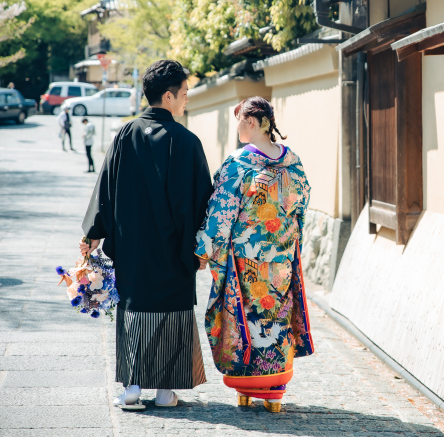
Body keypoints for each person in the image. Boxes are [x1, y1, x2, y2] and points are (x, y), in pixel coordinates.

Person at [80, 60, 213, 411]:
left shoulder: (126, 135)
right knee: (171, 311)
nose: (186, 99)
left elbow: (106, 188)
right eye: (184, 93)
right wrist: (202, 248)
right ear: (168, 96)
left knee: (135, 310)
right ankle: (167, 391)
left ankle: (132, 389)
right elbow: (204, 201)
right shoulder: (188, 142)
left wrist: (94, 233)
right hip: (176, 249)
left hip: (134, 247)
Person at [195, 96, 313, 414]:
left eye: (238, 121)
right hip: (282, 258)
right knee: (277, 316)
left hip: (247, 260)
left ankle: (247, 388)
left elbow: (221, 212)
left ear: (250, 122)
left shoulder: (239, 163)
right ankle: (275, 391)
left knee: (249, 319)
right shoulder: (293, 162)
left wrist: (204, 250)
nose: (237, 129)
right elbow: (300, 206)